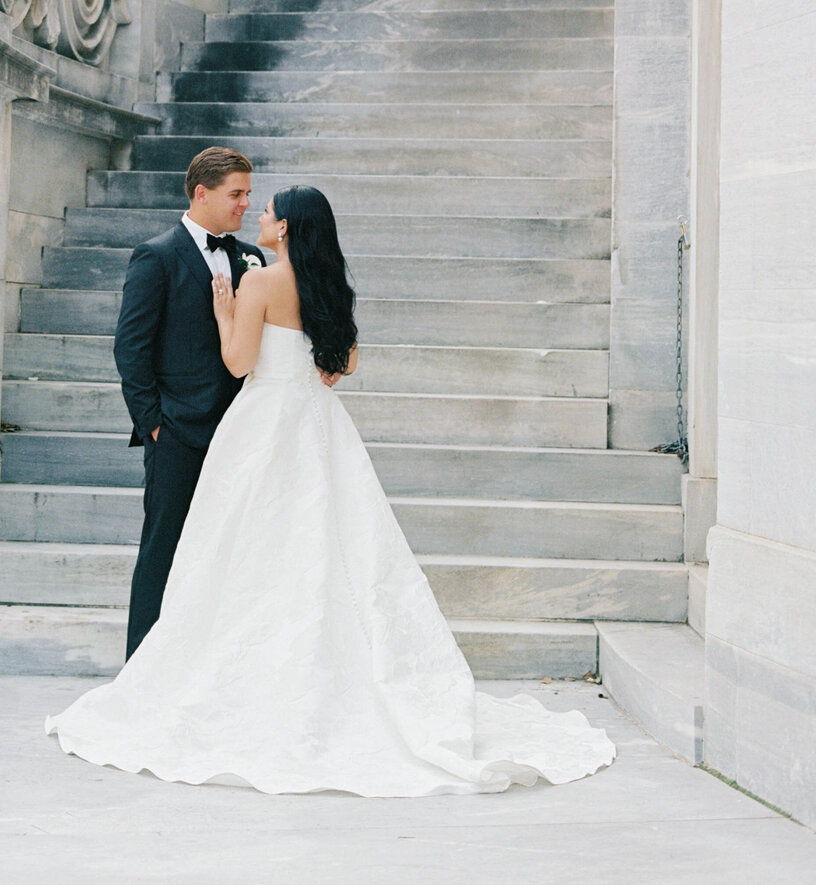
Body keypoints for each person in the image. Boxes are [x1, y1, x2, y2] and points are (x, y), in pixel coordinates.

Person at [48, 184, 616, 797]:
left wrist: (224, 314)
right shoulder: (330, 285)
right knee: (333, 546)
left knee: (247, 550)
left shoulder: (259, 280)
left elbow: (239, 364)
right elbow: (342, 366)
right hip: (317, 425)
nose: (258, 215)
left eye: (266, 210)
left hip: (263, 423)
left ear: (286, 227)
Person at [112, 146, 266, 658]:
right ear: (202, 193)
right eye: (236, 193)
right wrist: (154, 423)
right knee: (162, 550)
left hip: (238, 431)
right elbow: (130, 347)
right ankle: (139, 668)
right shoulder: (155, 256)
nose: (246, 203)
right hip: (176, 432)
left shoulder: (253, 258)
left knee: (229, 552)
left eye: (248, 193)